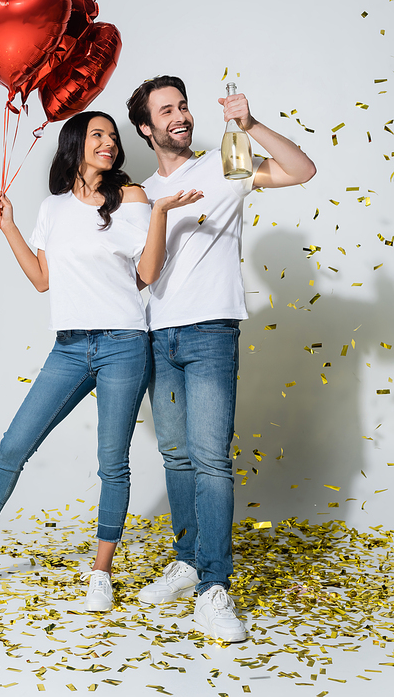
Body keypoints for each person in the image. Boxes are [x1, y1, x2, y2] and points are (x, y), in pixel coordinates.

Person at [0, 110, 202, 611]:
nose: (109, 143)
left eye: (114, 137)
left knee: (111, 464)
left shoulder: (133, 198)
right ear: (74, 144)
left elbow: (145, 273)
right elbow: (40, 278)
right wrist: (8, 225)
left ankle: (101, 572)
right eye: (98, 135)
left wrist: (159, 215)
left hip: (123, 343)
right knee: (12, 447)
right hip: (69, 346)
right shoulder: (52, 210)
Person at [127, 76, 316, 640]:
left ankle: (214, 587)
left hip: (211, 331)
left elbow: (300, 171)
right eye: (167, 110)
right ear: (146, 127)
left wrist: (250, 124)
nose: (180, 115)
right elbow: (142, 272)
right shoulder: (138, 192)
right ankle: (187, 559)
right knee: (177, 455)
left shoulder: (224, 160)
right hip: (158, 335)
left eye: (183, 106)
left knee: (210, 459)